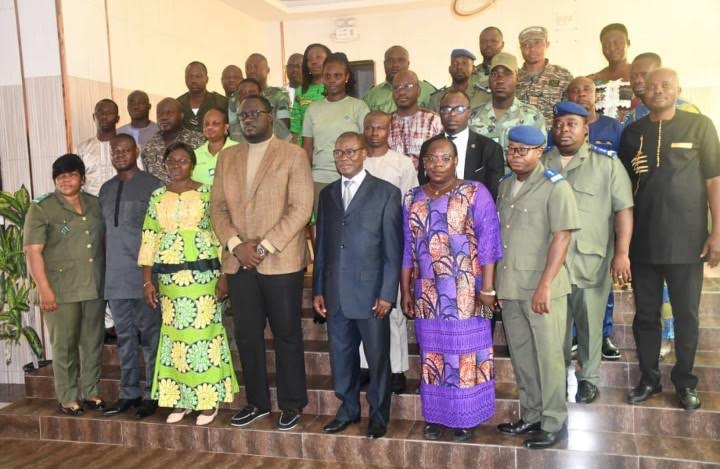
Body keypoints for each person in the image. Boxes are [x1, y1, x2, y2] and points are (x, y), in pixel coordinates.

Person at [210, 95, 313, 431]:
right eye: (243, 114)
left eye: (255, 113)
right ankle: (256, 403)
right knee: (247, 335)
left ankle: (292, 404)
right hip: (240, 263)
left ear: (271, 117)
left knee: (286, 334)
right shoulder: (227, 157)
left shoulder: (293, 155)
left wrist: (265, 246)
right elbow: (218, 209)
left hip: (281, 260)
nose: (248, 119)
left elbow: (300, 208)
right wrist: (237, 245)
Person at [619, 68, 720, 411]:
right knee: (645, 315)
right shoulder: (632, 133)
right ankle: (649, 378)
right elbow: (624, 194)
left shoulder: (700, 126)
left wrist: (717, 232)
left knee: (686, 315)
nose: (659, 90)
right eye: (653, 85)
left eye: (667, 85)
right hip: (643, 243)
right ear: (643, 91)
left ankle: (686, 382)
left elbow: (713, 182)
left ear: (679, 88)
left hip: (688, 241)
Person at [400, 137, 501, 442]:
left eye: (444, 158)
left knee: (465, 355)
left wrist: (488, 288)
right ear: (422, 162)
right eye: (431, 159)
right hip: (427, 292)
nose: (437, 165)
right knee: (434, 356)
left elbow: (489, 242)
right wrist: (405, 291)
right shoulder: (412, 197)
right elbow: (407, 247)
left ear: (455, 161)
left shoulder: (474, 192)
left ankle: (466, 418)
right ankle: (436, 416)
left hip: (466, 288)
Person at [138, 141, 238, 426]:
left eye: (183, 161)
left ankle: (207, 401)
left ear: (192, 164)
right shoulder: (157, 196)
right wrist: (148, 282)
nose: (176, 166)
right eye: (172, 161)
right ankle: (180, 399)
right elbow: (149, 238)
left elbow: (222, 235)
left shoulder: (207, 193)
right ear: (165, 165)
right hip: (170, 279)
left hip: (204, 276)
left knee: (204, 335)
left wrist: (224, 276)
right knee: (176, 338)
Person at [542, 102, 633, 404]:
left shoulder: (607, 164)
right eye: (559, 124)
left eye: (571, 124)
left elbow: (623, 210)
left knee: (591, 326)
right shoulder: (542, 164)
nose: (564, 130)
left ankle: (589, 378)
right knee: (554, 330)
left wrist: (622, 253)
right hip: (551, 265)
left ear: (586, 129)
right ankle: (556, 380)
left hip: (590, 260)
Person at [314, 132, 402, 440]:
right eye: (339, 153)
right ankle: (348, 409)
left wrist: (388, 293)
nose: (344, 158)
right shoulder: (326, 195)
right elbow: (322, 245)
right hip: (335, 293)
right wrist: (318, 290)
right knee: (341, 356)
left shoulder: (387, 193)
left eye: (351, 152)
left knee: (378, 359)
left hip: (371, 295)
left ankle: (378, 415)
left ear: (364, 153)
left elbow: (394, 249)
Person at [495, 125, 579, 449]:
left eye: (522, 150)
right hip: (512, 287)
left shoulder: (555, 187)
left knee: (549, 359)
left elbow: (562, 237)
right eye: (511, 149)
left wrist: (545, 285)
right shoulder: (504, 186)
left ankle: (555, 422)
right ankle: (531, 415)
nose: (515, 156)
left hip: (542, 290)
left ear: (540, 151)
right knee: (522, 357)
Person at [23, 154, 106, 416]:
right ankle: (68, 395)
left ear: (82, 178)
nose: (66, 180)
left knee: (92, 342)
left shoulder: (94, 204)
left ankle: (91, 391)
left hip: (94, 285)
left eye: (71, 174)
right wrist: (44, 289)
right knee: (65, 345)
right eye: (60, 176)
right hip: (60, 290)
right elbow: (33, 251)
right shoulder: (42, 208)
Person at [552, 77, 626, 362]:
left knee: (598, 287)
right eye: (574, 91)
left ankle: (603, 334)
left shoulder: (612, 128)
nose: (581, 94)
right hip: (565, 225)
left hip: (600, 216)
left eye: (586, 90)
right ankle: (573, 336)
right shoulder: (558, 132)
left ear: (595, 95)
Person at [99, 134, 162, 419]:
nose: (120, 154)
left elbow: (161, 233)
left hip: (145, 279)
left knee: (150, 338)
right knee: (124, 338)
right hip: (115, 280)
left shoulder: (152, 185)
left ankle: (153, 395)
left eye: (125, 150)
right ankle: (129, 393)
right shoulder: (105, 189)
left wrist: (154, 278)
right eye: (115, 151)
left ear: (136, 151)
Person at [357, 110, 418, 394]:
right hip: (361, 246)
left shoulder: (401, 163)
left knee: (391, 311)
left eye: (380, 127)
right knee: (360, 307)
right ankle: (366, 365)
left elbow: (411, 205)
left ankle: (396, 369)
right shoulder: (356, 160)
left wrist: (409, 248)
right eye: (369, 127)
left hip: (391, 244)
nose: (374, 132)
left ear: (389, 129)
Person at [302, 52, 369, 210]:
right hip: (320, 179)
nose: (332, 80)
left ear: (346, 77)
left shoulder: (359, 107)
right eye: (327, 76)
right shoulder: (313, 109)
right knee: (325, 228)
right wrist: (304, 180)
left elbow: (366, 147)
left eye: (337, 75)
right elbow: (307, 149)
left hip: (353, 177)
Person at [418, 89, 504, 200]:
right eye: (446, 109)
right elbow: (423, 185)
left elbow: (494, 191)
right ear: (440, 112)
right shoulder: (429, 146)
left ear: (469, 112)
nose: (452, 114)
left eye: (459, 109)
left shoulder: (489, 148)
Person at [469, 52, 545, 161]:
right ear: (489, 80)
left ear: (517, 78)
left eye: (507, 74)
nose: (500, 80)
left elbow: (540, 158)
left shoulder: (533, 117)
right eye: (494, 74)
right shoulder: (473, 116)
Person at [516, 26, 573, 127]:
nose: (532, 49)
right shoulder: (513, 78)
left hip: (552, 139)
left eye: (537, 43)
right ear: (520, 49)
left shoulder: (563, 76)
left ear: (547, 44)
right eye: (526, 45)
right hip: (519, 140)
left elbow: (571, 113)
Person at [623, 53, 701, 127]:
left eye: (645, 74)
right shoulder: (632, 117)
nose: (637, 80)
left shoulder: (686, 109)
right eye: (633, 76)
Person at [141, 98, 205, 184]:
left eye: (170, 113)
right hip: (158, 196)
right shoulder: (150, 145)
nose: (163, 117)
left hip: (192, 195)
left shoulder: (198, 140)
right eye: (160, 113)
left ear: (181, 115)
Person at [387, 70, 443, 169]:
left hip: (426, 182)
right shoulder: (385, 122)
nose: (401, 92)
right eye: (396, 88)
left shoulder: (434, 120)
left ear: (418, 91)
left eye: (408, 87)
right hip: (392, 182)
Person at [363, 45, 436, 113]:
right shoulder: (371, 95)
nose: (395, 64)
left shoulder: (427, 91)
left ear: (408, 64)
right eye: (390, 60)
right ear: (384, 64)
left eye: (400, 60)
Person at [236, 53, 291, 140]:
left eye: (256, 67)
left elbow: (284, 125)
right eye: (249, 67)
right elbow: (232, 128)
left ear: (267, 70)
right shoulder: (235, 98)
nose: (252, 71)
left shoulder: (279, 95)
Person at [587, 24, 633, 121]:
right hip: (600, 135)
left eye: (616, 43)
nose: (611, 48)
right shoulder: (593, 80)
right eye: (606, 45)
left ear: (628, 43)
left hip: (633, 134)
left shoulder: (639, 76)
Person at [75, 99, 120, 196]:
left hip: (122, 204)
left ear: (117, 118)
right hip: (91, 206)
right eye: (100, 112)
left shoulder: (129, 146)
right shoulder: (82, 149)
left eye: (110, 113)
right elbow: (76, 181)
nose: (104, 116)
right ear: (93, 117)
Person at [290, 43, 331, 146]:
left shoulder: (334, 88)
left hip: (328, 145)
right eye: (309, 59)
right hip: (304, 146)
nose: (313, 62)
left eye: (318, 57)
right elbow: (295, 123)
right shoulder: (300, 90)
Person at [177, 61, 228, 132]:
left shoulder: (220, 102)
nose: (193, 81)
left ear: (207, 79)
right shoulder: (177, 105)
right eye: (190, 77)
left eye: (198, 77)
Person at [191, 107, 238, 186]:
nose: (210, 127)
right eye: (206, 124)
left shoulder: (238, 150)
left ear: (226, 127)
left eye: (215, 123)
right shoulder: (194, 155)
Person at [229, 78, 264, 142]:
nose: (246, 96)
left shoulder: (270, 121)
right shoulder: (234, 123)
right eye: (242, 93)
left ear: (260, 94)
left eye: (251, 92)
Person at [471, 26, 504, 90]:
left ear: (502, 45)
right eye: (484, 41)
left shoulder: (513, 74)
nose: (488, 44)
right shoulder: (470, 75)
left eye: (493, 41)